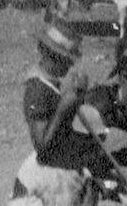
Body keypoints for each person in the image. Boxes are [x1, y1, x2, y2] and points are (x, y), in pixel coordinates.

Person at [11, 23, 117, 206]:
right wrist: (64, 108)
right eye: (67, 60)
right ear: (54, 57)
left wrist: (78, 97)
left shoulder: (52, 85)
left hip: (58, 165)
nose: (70, 65)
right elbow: (43, 148)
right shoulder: (37, 89)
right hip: (45, 175)